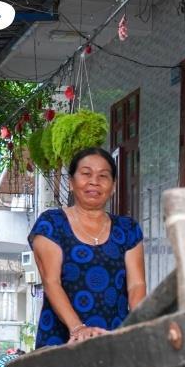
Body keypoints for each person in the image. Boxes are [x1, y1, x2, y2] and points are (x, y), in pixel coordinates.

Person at [27, 148, 147, 348]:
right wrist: (78, 328)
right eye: (86, 174)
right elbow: (51, 281)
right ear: (72, 182)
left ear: (113, 186)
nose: (94, 181)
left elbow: (136, 285)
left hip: (115, 340)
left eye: (103, 176)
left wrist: (139, 326)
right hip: (61, 341)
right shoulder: (52, 224)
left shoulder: (128, 229)